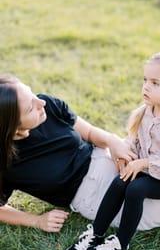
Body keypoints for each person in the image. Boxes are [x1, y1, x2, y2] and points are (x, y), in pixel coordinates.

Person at [64, 49, 160, 250]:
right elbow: (135, 139)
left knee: (136, 189)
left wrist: (146, 162)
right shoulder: (148, 110)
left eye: (155, 83)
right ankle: (97, 233)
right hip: (146, 168)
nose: (146, 87)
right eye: (145, 80)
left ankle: (121, 244)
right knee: (120, 180)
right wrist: (127, 153)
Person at [0, 75, 136, 232]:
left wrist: (112, 140)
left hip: (104, 157)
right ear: (13, 128)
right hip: (91, 196)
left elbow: (90, 133)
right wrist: (36, 220)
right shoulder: (5, 162)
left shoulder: (48, 106)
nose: (41, 102)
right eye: (30, 107)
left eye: (32, 94)